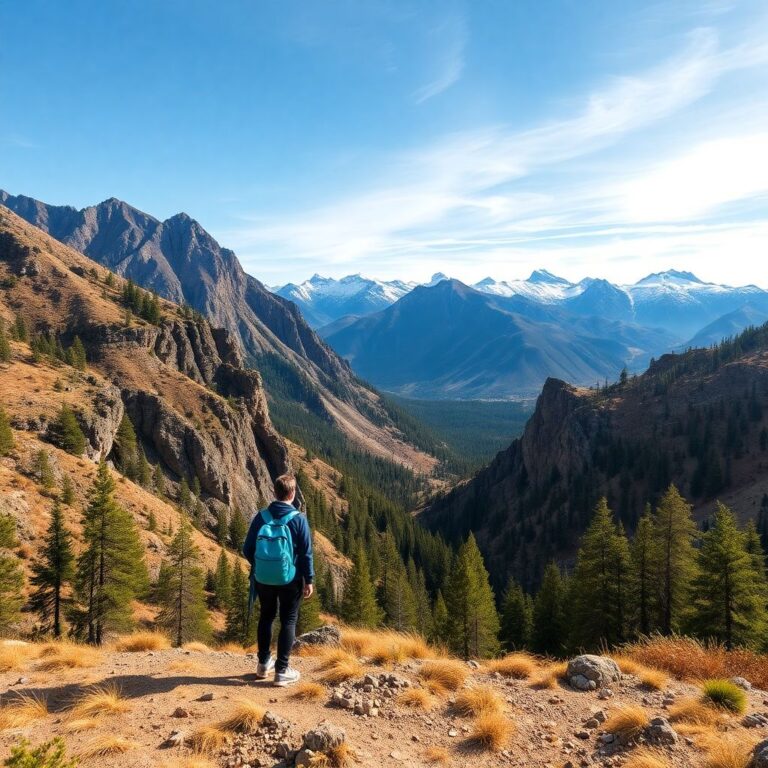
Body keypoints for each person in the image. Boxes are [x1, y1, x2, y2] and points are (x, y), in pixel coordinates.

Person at [242, 473, 314, 686]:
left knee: (266, 616)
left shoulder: (261, 517)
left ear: (275, 492)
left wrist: (260, 566)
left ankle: (263, 664)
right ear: (292, 494)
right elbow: (306, 553)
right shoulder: (299, 519)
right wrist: (309, 579)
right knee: (288, 620)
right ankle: (282, 670)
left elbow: (247, 548)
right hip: (290, 578)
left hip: (263, 578)